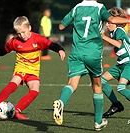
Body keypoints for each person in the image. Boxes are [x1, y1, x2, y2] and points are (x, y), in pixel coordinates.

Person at [52, 0, 130, 131]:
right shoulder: (99, 8)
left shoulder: (77, 8)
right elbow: (110, 19)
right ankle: (103, 117)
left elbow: (60, 26)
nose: (107, 24)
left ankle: (61, 101)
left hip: (78, 52)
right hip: (95, 53)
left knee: (72, 83)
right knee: (99, 84)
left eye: (109, 23)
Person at [0, 16, 65, 120]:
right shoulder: (15, 41)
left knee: (35, 90)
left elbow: (51, 45)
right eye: (18, 33)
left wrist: (60, 49)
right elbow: (4, 50)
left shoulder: (38, 39)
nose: (21, 35)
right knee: (13, 84)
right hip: (21, 68)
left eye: (23, 32)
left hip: (33, 71)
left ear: (29, 28)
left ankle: (17, 111)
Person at [101, 7, 130, 117]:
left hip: (128, 64)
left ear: (116, 21)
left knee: (121, 88)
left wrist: (103, 37)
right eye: (106, 22)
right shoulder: (113, 32)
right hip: (121, 65)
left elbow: (119, 44)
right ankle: (116, 105)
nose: (107, 25)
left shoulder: (119, 30)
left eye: (109, 22)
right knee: (101, 81)